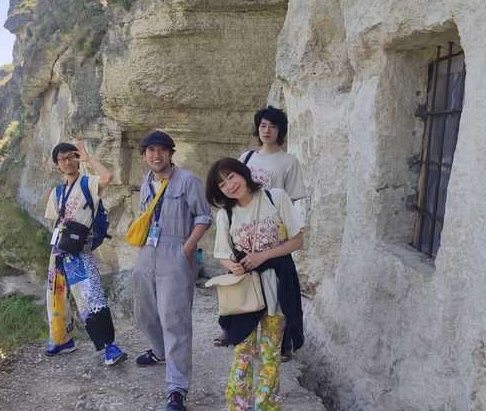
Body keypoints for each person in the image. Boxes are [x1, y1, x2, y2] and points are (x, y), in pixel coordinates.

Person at [205, 158, 305, 411]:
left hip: (278, 288)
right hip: (245, 291)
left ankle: (267, 407)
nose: (229, 185)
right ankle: (237, 406)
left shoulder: (275, 197)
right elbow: (222, 253)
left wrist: (263, 256)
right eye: (222, 184)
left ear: (243, 173)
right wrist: (233, 265)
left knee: (271, 355)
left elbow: (297, 241)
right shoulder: (225, 214)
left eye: (231, 177)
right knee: (243, 352)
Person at [214, 106, 304, 361]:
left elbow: (292, 200)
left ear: (281, 131)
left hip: (272, 227)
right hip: (244, 227)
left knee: (277, 291)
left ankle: (280, 343)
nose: (267, 130)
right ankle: (232, 330)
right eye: (263, 125)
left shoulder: (289, 161)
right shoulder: (247, 156)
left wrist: (279, 231)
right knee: (241, 280)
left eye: (273, 126)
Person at [132, 131, 212, 411]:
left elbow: (204, 217)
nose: (156, 155)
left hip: (176, 253)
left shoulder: (187, 180)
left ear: (170, 153)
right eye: (151, 150)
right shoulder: (144, 185)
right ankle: (160, 351)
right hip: (147, 253)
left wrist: (188, 248)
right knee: (143, 311)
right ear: (145, 156)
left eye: (162, 150)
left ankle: (176, 389)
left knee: (174, 320)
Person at [43, 141, 128, 366]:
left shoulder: (88, 183)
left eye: (71, 156)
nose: (68, 162)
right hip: (59, 252)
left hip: (80, 252)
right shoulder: (57, 192)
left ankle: (109, 347)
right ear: (56, 165)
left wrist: (89, 159)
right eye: (62, 159)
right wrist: (53, 251)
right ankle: (63, 341)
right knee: (56, 299)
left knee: (91, 298)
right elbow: (56, 223)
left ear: (76, 158)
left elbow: (107, 177)